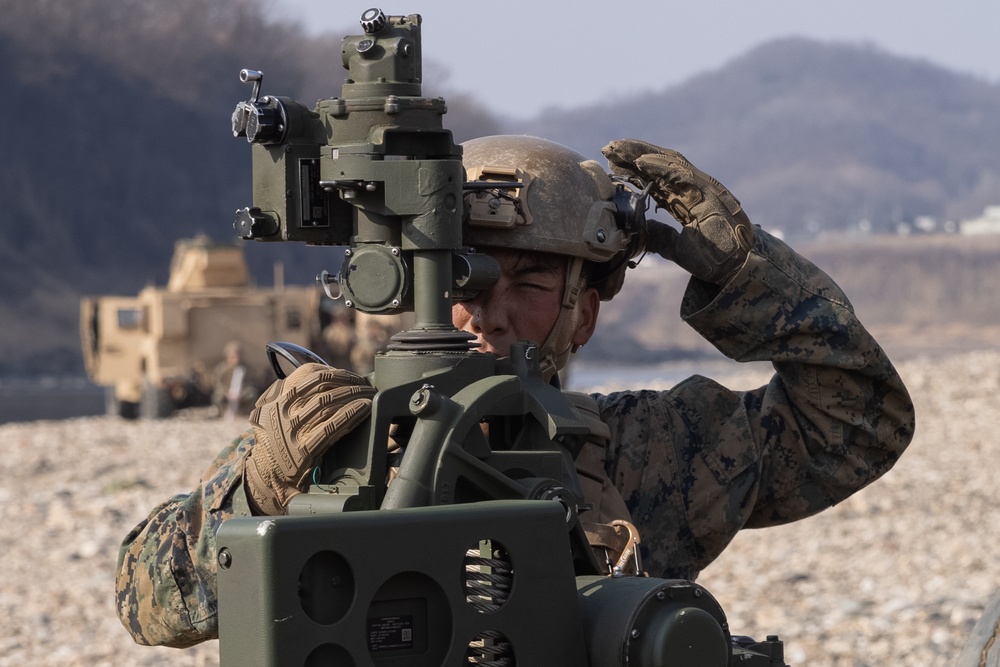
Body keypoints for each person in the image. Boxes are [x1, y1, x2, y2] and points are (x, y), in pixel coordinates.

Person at [115, 136, 915, 647]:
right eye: (462, 276)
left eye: (529, 280)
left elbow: (857, 421)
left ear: (585, 313)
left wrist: (745, 275)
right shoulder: (332, 442)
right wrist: (256, 488)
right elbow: (143, 599)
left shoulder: (641, 451)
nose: (486, 312)